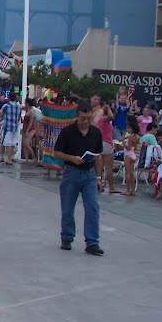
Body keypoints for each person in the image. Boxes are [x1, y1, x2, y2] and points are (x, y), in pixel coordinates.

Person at [53, 100, 104, 255]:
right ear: (77, 117)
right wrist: (72, 158)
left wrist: (99, 177)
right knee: (68, 208)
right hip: (71, 172)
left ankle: (92, 242)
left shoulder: (95, 133)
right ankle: (67, 237)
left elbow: (98, 155)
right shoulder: (68, 132)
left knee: (93, 207)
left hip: (89, 174)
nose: (85, 122)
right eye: (83, 119)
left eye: (88, 118)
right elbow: (57, 152)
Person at [93, 98, 118, 193]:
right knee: (109, 167)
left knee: (100, 167)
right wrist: (108, 108)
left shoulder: (99, 120)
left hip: (100, 143)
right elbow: (111, 117)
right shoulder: (105, 120)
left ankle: (100, 183)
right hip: (107, 144)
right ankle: (111, 187)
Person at [0, 93, 22, 164]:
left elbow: (0, 115)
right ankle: (10, 157)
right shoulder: (18, 106)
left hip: (7, 127)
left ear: (9, 98)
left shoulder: (6, 106)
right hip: (15, 127)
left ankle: (7, 159)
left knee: (6, 143)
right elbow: (19, 117)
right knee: (13, 143)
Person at [121, 117, 141, 197]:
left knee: (128, 173)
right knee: (132, 173)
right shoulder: (137, 137)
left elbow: (128, 147)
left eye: (128, 128)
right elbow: (134, 147)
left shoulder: (130, 137)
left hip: (128, 155)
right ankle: (132, 190)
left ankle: (128, 190)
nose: (127, 129)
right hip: (133, 154)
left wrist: (123, 143)